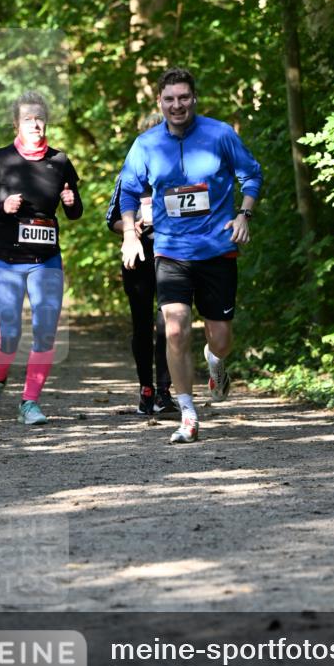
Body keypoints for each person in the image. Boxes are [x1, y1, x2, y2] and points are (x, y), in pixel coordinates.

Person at [119, 67, 262, 443]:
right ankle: (187, 413)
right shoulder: (146, 145)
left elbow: (251, 175)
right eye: (169, 99)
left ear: (194, 98)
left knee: (221, 339)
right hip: (170, 251)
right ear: (159, 102)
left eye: (183, 97)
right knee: (175, 328)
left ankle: (216, 361)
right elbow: (128, 191)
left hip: (216, 249)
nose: (177, 105)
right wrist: (130, 235)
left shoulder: (220, 134)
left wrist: (244, 215)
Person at [0, 91, 83, 425]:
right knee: (8, 335)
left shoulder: (60, 161)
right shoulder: (1, 159)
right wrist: (1, 207)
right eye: (27, 119)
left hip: (45, 261)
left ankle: (29, 402)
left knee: (45, 331)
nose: (35, 124)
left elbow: (75, 211)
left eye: (39, 118)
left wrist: (71, 201)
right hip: (3, 260)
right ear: (16, 124)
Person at [107, 119, 177, 417]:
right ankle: (146, 389)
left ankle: (164, 391)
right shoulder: (131, 174)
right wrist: (130, 228)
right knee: (142, 324)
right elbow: (111, 218)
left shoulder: (180, 172)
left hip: (174, 255)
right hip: (138, 256)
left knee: (169, 323)